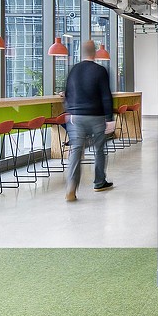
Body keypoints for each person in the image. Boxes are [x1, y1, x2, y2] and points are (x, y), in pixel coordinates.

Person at [63, 40, 115, 201]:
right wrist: (109, 118)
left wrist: (69, 111)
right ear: (95, 53)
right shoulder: (100, 71)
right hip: (96, 116)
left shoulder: (74, 70)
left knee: (76, 152)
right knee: (99, 149)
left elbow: (67, 93)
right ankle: (99, 182)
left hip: (76, 117)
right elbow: (106, 96)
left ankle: (71, 186)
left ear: (82, 53)